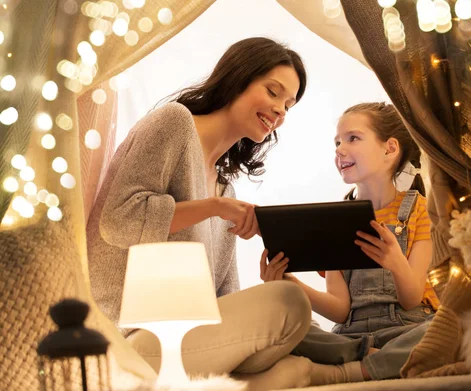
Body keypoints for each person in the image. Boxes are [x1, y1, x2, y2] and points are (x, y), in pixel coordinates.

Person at [86, 37, 313, 388]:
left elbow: (222, 298)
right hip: (129, 336)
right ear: (238, 77)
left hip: (190, 339)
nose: (280, 110)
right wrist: (212, 208)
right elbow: (118, 221)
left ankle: (357, 365)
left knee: (291, 365)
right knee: (290, 303)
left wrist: (264, 288)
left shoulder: (226, 191)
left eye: (288, 104)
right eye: (272, 92)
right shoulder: (174, 123)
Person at [260, 102, 440, 385]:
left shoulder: (419, 209)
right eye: (337, 142)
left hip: (408, 328)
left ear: (389, 149)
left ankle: (352, 370)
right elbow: (340, 309)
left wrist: (395, 262)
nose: (339, 149)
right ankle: (370, 358)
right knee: (278, 328)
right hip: (352, 336)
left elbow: (412, 298)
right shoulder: (335, 218)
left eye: (353, 138)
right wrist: (289, 285)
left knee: (456, 326)